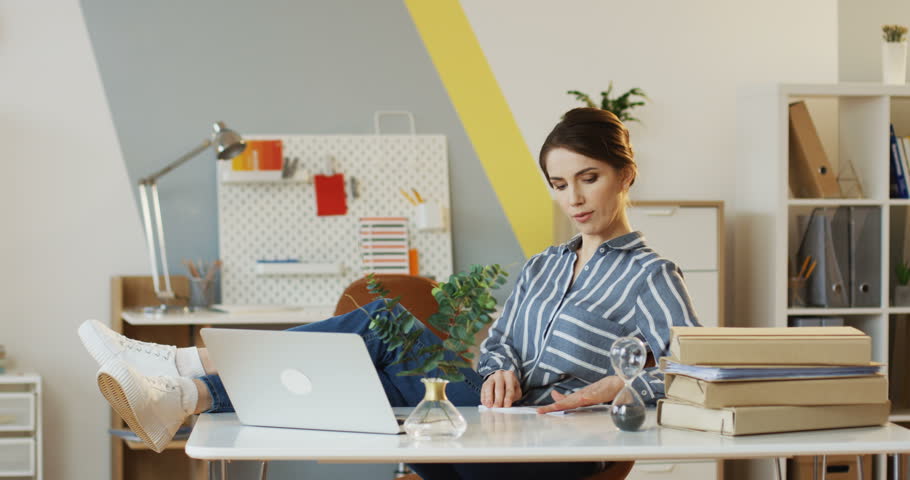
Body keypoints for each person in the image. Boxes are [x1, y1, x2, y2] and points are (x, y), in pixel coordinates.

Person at [79, 107, 700, 480]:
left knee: (380, 362)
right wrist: (500, 368)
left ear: (625, 174)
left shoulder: (651, 275)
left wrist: (622, 383)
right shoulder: (542, 267)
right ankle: (186, 386)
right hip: (494, 418)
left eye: (588, 178)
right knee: (378, 328)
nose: (574, 199)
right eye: (560, 183)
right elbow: (502, 343)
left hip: (557, 446)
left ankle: (186, 379)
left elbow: (692, 367)